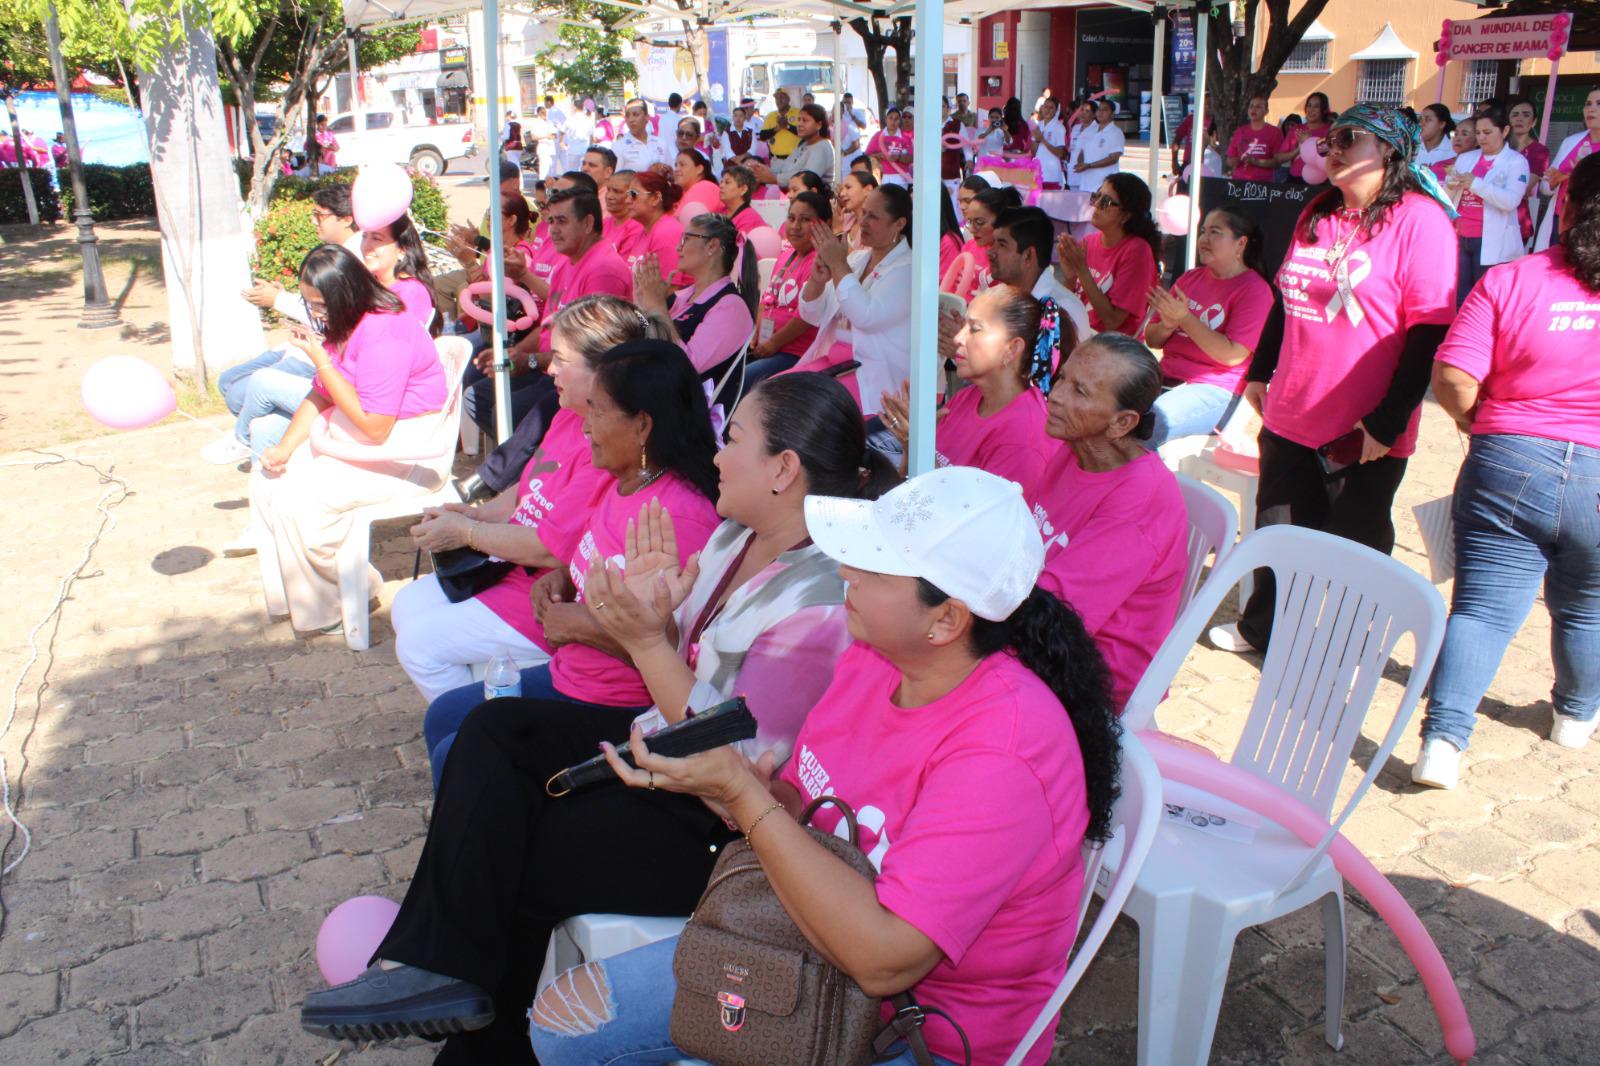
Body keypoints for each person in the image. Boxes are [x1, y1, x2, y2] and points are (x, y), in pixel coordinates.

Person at [299, 373, 898, 1062]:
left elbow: (730, 760)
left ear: (783, 469)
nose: (716, 455)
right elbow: (688, 674)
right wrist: (658, 619)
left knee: (522, 862)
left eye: (733, 440)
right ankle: (441, 970)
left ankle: (462, 1010)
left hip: (717, 824)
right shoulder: (738, 539)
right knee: (493, 730)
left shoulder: (819, 602)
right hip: (661, 758)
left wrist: (645, 640)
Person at [520, 465, 1122, 1066]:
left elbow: (884, 961)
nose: (845, 572)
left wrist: (743, 797)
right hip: (807, 951)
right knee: (560, 1024)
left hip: (920, 1030)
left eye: (874, 568)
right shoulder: (875, 659)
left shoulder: (1003, 753)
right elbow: (807, 812)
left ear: (946, 620)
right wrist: (740, 787)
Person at [1209, 105, 1458, 654]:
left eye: (1349, 138)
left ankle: (1347, 645)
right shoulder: (1316, 211)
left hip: (1363, 421)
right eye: (1328, 141)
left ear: (1388, 149)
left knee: (1355, 543)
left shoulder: (1421, 222)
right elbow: (1286, 296)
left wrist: (1389, 420)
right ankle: (1264, 628)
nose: (1333, 148)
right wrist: (1259, 370)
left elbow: (1427, 333)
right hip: (1292, 406)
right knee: (1278, 531)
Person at [1410, 153, 1600, 789]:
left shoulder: (1514, 279)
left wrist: (1476, 424)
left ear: (1567, 209)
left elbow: (1455, 377)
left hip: (1508, 460)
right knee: (1589, 608)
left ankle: (1442, 744)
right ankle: (1574, 719)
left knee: (1483, 612)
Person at [392, 298, 659, 702]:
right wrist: (476, 512)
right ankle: (482, 705)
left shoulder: (608, 443)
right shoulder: (568, 414)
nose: (549, 368)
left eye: (561, 359)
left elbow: (549, 550)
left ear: (604, 370)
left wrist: (467, 531)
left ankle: (476, 726)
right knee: (407, 604)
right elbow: (529, 487)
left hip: (547, 593)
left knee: (419, 646)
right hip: (515, 570)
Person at [248, 245, 447, 635]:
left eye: (320, 304)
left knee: (296, 502)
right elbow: (322, 392)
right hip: (353, 437)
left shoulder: (384, 331)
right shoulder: (346, 322)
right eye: (309, 304)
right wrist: (285, 447)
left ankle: (341, 597)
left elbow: (375, 428)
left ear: (345, 294)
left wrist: (320, 359)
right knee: (265, 482)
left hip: (403, 450)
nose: (314, 313)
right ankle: (300, 596)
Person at [1032, 333, 1188, 707]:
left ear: (1122, 423)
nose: (1056, 395)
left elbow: (1053, 618)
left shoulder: (1139, 502)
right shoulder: (1074, 448)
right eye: (1063, 378)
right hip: (1044, 633)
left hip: (1090, 680)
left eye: (1080, 392)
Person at [208, 185, 366, 469]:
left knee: (255, 386)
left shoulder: (356, 264)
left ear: (346, 218)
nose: (314, 221)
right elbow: (324, 385)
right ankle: (264, 479)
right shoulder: (336, 258)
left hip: (342, 393)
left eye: (320, 215)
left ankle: (241, 440)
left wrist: (280, 301)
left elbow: (368, 418)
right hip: (318, 363)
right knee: (258, 418)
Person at [880, 285, 1054, 502]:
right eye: (964, 325)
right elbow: (912, 482)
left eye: (975, 329)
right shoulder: (968, 397)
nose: (958, 338)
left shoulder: (1024, 437)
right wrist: (911, 444)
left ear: (1012, 349)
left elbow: (978, 523)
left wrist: (916, 442)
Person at [1143, 206, 1275, 449]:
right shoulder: (1190, 278)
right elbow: (1152, 339)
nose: (1204, 239)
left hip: (1215, 389)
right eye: (1203, 231)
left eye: (1215, 232)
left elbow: (1232, 355)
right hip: (1165, 377)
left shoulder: (1255, 291)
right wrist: (1167, 326)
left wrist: (1185, 319)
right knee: (1109, 411)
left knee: (1149, 424)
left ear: (1240, 243)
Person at [795, 183, 914, 420]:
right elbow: (812, 316)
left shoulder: (907, 270)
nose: (864, 221)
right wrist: (817, 281)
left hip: (873, 380)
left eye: (874, 216)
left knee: (799, 411)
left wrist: (839, 264)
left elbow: (865, 317)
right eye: (865, 213)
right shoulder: (858, 259)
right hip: (833, 365)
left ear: (899, 224)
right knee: (771, 393)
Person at [631, 212, 759, 402]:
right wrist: (641, 307)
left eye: (686, 239)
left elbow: (685, 365)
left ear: (712, 246)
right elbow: (644, 334)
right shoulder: (682, 296)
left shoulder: (731, 307)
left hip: (688, 412)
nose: (678, 247)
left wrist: (656, 306)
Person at [989, 206, 1091, 384]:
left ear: (1028, 255)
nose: (990, 252)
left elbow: (1044, 384)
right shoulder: (1003, 297)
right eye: (993, 243)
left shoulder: (1061, 308)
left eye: (1002, 244)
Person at [1059, 172, 1161, 337]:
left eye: (1105, 201)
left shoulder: (1137, 252)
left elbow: (1112, 321)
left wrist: (1082, 271)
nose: (1096, 204)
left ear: (1126, 215)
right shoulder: (1089, 242)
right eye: (1097, 196)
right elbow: (1067, 307)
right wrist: (1070, 279)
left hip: (1113, 349)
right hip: (1081, 337)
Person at [1449, 105, 1530, 306]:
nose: (1481, 138)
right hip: (1461, 234)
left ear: (1504, 131)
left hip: (1490, 238)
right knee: (1459, 295)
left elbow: (1510, 201)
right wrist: (1451, 186)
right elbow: (1449, 198)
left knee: (1484, 296)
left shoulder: (1516, 161)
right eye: (1478, 133)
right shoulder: (1466, 158)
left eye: (1487, 132)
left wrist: (1475, 184)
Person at [747, 190, 830, 384]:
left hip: (796, 353)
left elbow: (806, 317)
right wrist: (757, 335)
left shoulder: (820, 262)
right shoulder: (786, 255)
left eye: (805, 219)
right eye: (791, 218)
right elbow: (766, 299)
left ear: (824, 224)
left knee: (744, 381)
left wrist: (773, 343)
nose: (795, 226)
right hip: (768, 346)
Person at [1536, 88, 1600, 251]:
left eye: (1599, 104)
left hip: (1592, 223)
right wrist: (1554, 180)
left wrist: (1581, 175)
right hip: (1561, 219)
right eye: (1588, 104)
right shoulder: (1571, 142)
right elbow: (1545, 186)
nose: (1591, 109)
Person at [613, 168, 685, 278]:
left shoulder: (667, 233)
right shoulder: (644, 231)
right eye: (627, 194)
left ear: (655, 198)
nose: (627, 201)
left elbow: (668, 290)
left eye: (633, 194)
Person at [1067, 98, 1123, 193]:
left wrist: (1089, 166)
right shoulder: (1092, 130)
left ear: (1113, 114)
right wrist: (1080, 163)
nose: (1100, 112)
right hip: (1086, 182)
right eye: (1099, 109)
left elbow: (1113, 158)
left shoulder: (1115, 132)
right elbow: (1082, 151)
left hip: (1103, 184)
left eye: (1105, 110)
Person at [1225, 95, 1284, 183]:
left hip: (1263, 183)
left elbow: (1278, 162)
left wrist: (1256, 162)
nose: (1254, 109)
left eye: (1258, 107)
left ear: (1266, 111)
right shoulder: (1240, 131)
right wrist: (1233, 161)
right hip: (1239, 182)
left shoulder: (1275, 132)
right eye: (1251, 106)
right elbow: (1229, 159)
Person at [611, 98, 675, 173]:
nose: (631, 119)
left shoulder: (661, 143)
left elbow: (672, 171)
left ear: (647, 117)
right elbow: (616, 180)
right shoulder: (618, 146)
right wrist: (649, 173)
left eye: (636, 115)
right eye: (627, 115)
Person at [1278, 92, 1331, 181]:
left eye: (1316, 106)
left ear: (1324, 109)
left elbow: (1330, 157)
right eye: (1309, 105)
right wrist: (1298, 149)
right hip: (1295, 180)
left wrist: (1310, 142)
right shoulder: (1296, 129)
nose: (1311, 109)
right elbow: (1279, 158)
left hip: (1320, 181)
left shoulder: (1330, 130)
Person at [716, 164, 769, 238]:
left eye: (727, 182)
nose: (721, 186)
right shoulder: (718, 212)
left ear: (743, 189)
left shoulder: (750, 218)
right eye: (721, 182)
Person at [867, 106, 913, 186]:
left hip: (901, 178)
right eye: (890, 118)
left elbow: (911, 158)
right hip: (883, 177)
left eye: (896, 119)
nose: (893, 121)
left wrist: (898, 157)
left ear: (900, 121)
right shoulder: (878, 136)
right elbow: (867, 155)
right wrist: (878, 155)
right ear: (886, 120)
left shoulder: (905, 138)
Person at [672, 147, 722, 220]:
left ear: (699, 169)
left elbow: (680, 224)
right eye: (676, 165)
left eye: (682, 165)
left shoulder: (705, 187)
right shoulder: (683, 192)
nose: (676, 169)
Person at [835, 167, 877, 247]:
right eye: (842, 189)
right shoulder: (844, 219)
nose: (841, 194)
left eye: (848, 187)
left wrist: (838, 231)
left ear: (868, 190)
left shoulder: (877, 225)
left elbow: (865, 258)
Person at [1033, 96, 1069, 189]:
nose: (1047, 110)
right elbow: (1033, 152)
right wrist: (1036, 140)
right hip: (1038, 172)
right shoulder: (1039, 125)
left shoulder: (1059, 127)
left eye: (1051, 108)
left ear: (1056, 110)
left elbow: (1060, 153)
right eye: (1045, 107)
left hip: (1051, 174)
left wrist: (1043, 140)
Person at [600, 169, 640, 248]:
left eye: (616, 191)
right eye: (608, 190)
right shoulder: (603, 224)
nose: (609, 196)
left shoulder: (637, 228)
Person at [1417, 103, 1457, 177]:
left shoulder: (1453, 150)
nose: (1421, 124)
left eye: (1428, 120)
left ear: (1441, 124)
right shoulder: (1412, 147)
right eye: (1420, 120)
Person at [761, 88, 801, 159]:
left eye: (782, 97)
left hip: (795, 159)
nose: (779, 100)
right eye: (777, 98)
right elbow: (762, 136)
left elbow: (804, 133)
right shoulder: (771, 115)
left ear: (788, 99)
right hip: (776, 159)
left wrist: (787, 126)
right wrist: (777, 129)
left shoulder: (798, 113)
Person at [839, 92, 868, 169]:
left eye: (849, 102)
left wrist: (852, 115)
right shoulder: (840, 113)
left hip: (854, 150)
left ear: (852, 103)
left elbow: (863, 126)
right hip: (843, 147)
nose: (846, 104)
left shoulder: (857, 112)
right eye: (845, 102)